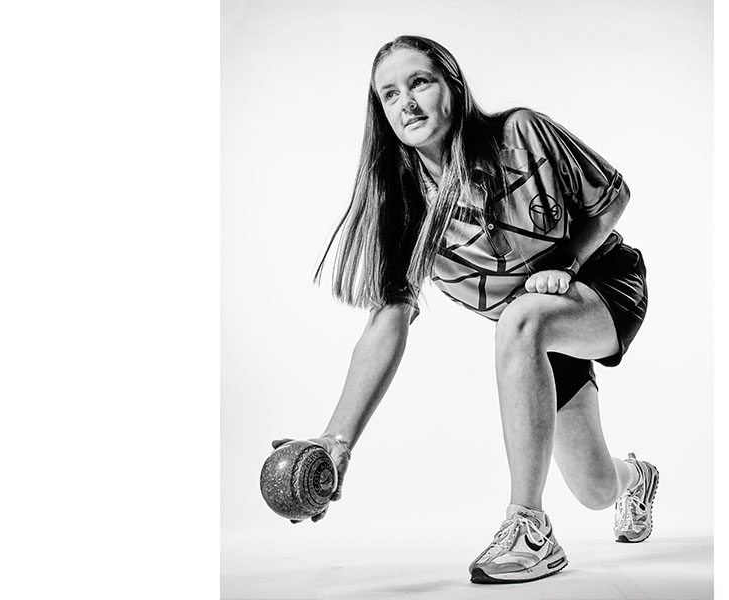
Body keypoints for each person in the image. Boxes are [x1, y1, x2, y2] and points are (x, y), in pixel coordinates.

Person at [272, 35, 657, 585]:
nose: (405, 102)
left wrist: (569, 260)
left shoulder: (522, 132)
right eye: (388, 94)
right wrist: (335, 443)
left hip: (604, 284)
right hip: (532, 337)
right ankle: (636, 478)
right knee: (595, 488)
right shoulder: (403, 202)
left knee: (521, 316)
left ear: (452, 84)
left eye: (419, 82)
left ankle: (530, 528)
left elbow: (613, 196)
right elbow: (388, 320)